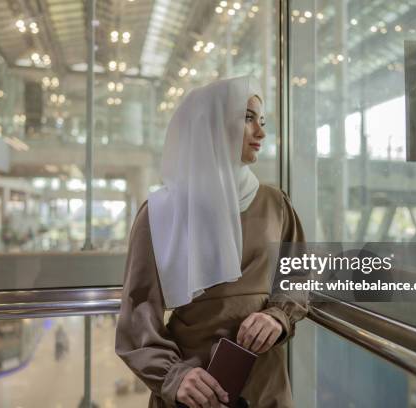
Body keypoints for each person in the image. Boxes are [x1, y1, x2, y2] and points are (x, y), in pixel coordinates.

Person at [115, 76, 307, 408]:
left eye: (262, 122)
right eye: (247, 118)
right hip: (194, 389)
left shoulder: (275, 203)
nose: (261, 133)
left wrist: (277, 316)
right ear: (212, 124)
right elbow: (138, 314)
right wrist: (174, 376)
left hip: (266, 385)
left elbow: (299, 276)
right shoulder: (162, 212)